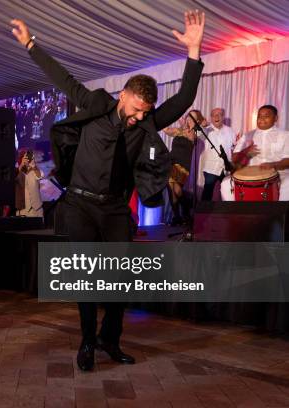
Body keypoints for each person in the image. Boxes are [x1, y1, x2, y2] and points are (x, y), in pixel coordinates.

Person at [11, 9, 205, 371]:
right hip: (81, 206)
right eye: (133, 111)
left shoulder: (146, 119)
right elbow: (64, 79)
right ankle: (86, 342)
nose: (136, 118)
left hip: (116, 209)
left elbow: (182, 101)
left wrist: (193, 53)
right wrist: (30, 44)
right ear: (124, 96)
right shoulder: (96, 105)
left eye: (142, 114)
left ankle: (109, 340)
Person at [221, 105, 289, 200]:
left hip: (279, 173)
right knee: (225, 184)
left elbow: (287, 160)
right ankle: (234, 213)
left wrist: (273, 164)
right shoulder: (248, 135)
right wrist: (246, 151)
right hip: (250, 174)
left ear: (276, 118)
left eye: (266, 116)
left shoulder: (285, 135)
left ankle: (281, 213)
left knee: (288, 185)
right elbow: (234, 158)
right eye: (259, 116)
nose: (261, 119)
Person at [164, 109, 206, 225]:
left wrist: (186, 126)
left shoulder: (195, 134)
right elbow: (166, 130)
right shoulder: (179, 130)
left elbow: (192, 136)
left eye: (192, 118)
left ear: (196, 121)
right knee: (171, 190)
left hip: (182, 165)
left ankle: (187, 208)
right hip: (171, 162)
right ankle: (177, 216)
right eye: (188, 117)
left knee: (177, 189)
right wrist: (162, 119)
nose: (189, 119)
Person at [200, 108, 235, 201]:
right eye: (214, 115)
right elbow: (198, 133)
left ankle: (227, 212)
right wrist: (202, 127)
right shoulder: (206, 130)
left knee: (228, 192)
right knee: (207, 192)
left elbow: (232, 148)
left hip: (226, 168)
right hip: (211, 168)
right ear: (211, 117)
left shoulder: (230, 131)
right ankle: (204, 213)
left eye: (219, 114)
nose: (216, 116)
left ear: (223, 117)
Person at [15, 149, 44, 218]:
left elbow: (40, 176)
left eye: (30, 157)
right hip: (22, 211)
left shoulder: (35, 170)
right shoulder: (17, 171)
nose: (28, 159)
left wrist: (34, 166)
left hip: (37, 210)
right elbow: (15, 180)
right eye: (25, 157)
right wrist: (22, 164)